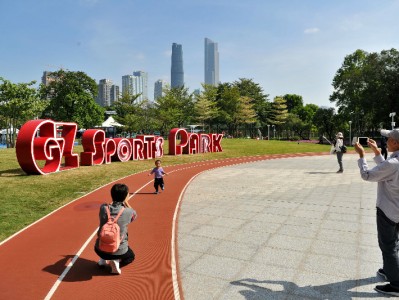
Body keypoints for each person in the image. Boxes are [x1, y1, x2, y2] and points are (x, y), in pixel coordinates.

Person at [354, 129, 399, 297]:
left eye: (388, 138)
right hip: (397, 209)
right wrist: (377, 153)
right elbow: (387, 171)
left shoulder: (394, 163)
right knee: (394, 243)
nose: (385, 141)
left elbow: (368, 175)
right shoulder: (394, 162)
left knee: (388, 246)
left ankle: (396, 285)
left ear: (395, 143)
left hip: (388, 210)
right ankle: (390, 270)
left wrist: (361, 156)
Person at [94, 183, 137, 275]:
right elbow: (134, 217)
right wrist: (126, 202)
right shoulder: (129, 212)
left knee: (105, 239)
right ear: (125, 196)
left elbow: (108, 207)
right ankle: (116, 262)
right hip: (118, 250)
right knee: (131, 257)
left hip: (99, 249)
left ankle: (102, 260)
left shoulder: (103, 208)